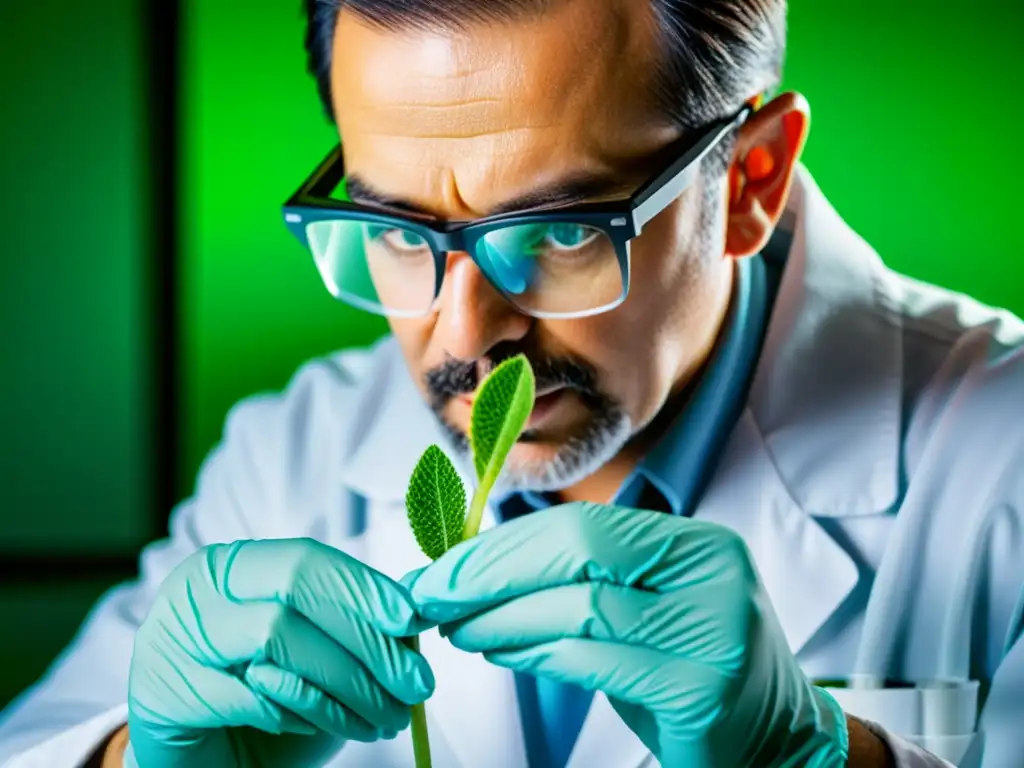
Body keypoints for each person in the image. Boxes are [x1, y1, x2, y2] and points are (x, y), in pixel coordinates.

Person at [1, 0, 1022, 765]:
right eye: (397, 230)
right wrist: (130, 758)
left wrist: (832, 759)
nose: (464, 331)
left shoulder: (1000, 461)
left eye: (562, 231)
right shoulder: (298, 451)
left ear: (748, 181)